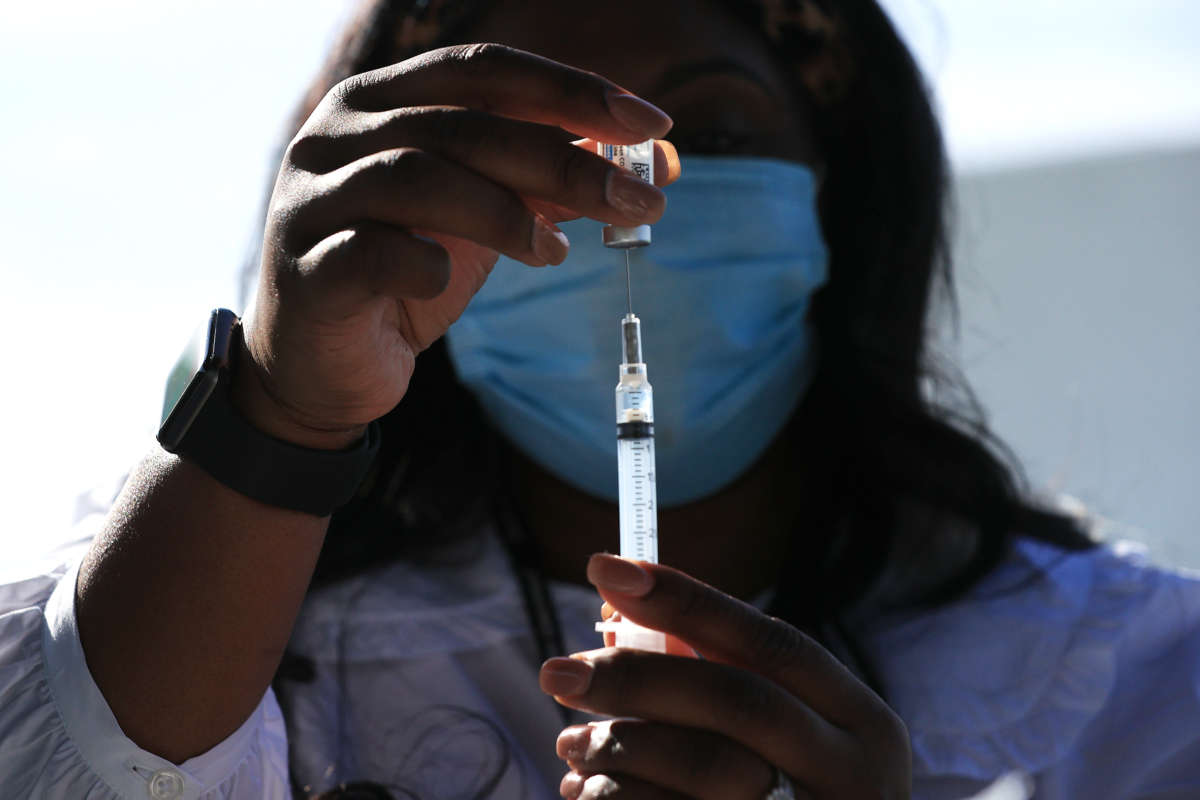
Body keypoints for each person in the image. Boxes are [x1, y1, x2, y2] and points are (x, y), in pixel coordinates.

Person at [2, 0, 1198, 798]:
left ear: (841, 193)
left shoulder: (1142, 675)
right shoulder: (234, 601)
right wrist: (279, 411)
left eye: (711, 131)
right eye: (527, 143)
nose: (627, 200)